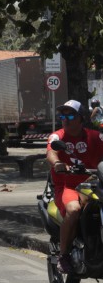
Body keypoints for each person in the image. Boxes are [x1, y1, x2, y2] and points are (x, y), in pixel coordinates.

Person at [46, 99, 103, 273]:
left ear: (81, 118)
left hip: (95, 184)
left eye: (70, 115)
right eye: (62, 115)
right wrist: (57, 163)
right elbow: (51, 152)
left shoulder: (95, 137)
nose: (65, 118)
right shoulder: (58, 137)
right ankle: (63, 256)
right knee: (74, 210)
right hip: (68, 186)